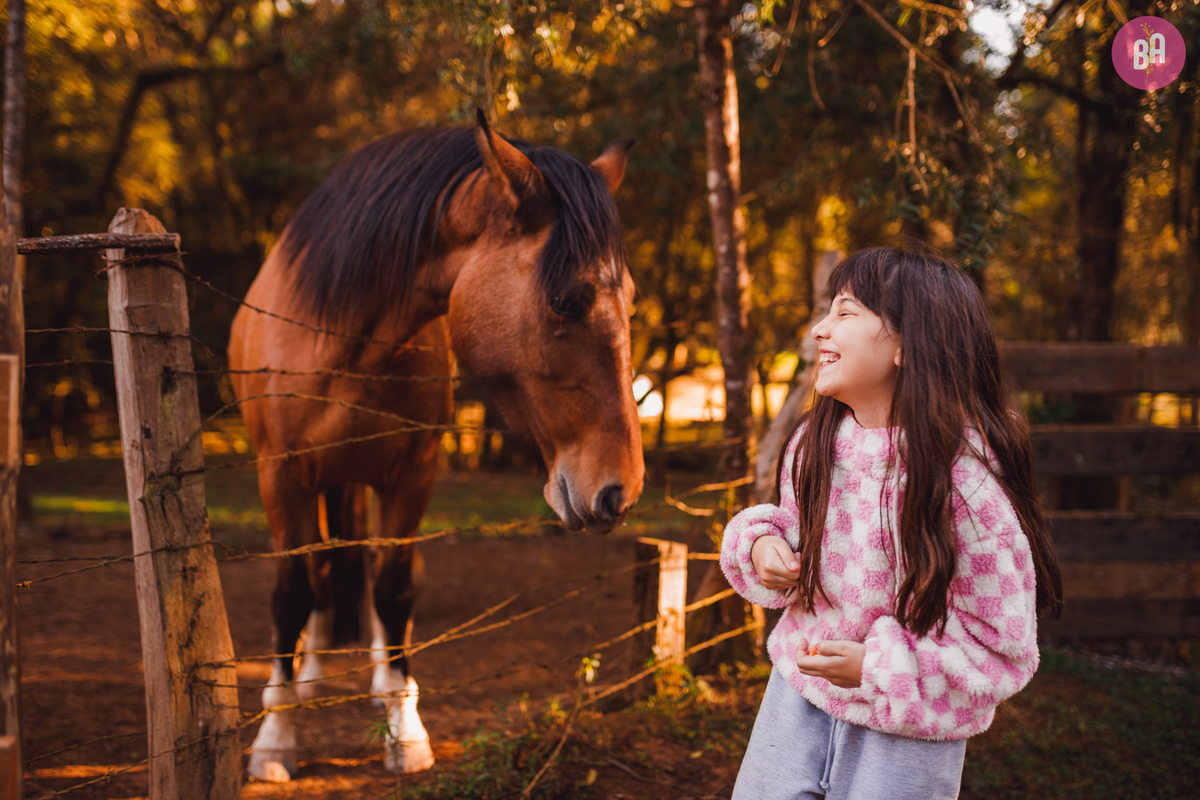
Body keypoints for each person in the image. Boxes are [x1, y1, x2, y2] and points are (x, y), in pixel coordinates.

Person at [720, 247, 1062, 800]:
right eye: (827, 312)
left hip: (905, 734)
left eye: (846, 312)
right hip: (796, 696)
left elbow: (1003, 650)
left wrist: (877, 669)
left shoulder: (966, 486)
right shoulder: (815, 445)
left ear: (908, 342)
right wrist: (763, 546)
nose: (818, 330)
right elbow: (787, 525)